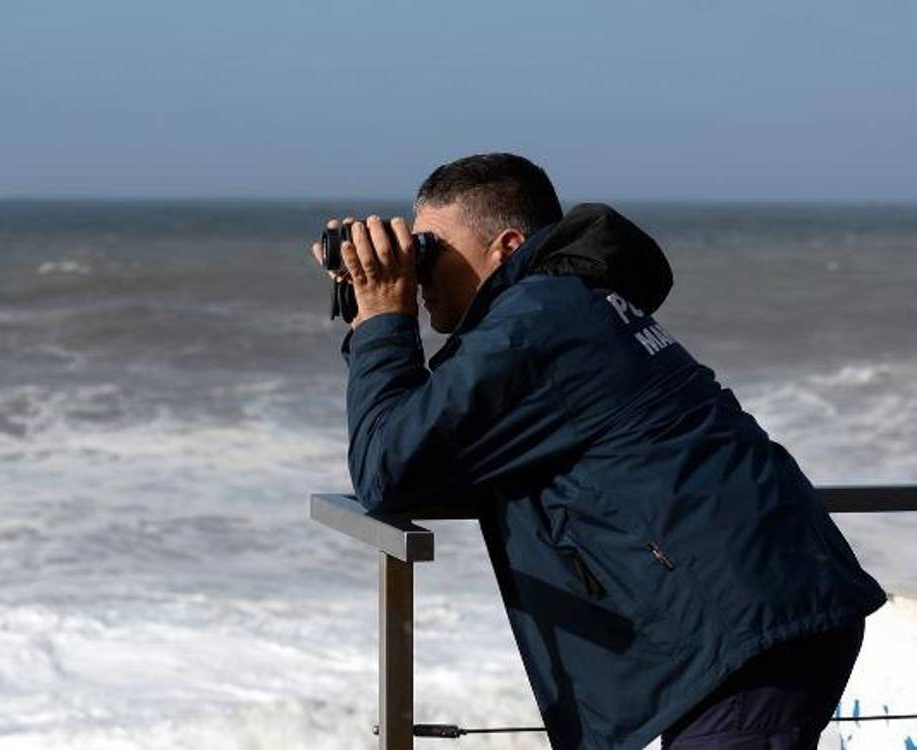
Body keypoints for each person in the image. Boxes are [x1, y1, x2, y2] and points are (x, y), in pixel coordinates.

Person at [308, 153, 887, 750]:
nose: (420, 269)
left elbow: (387, 470)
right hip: (760, 612)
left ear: (506, 246)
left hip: (749, 634)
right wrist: (369, 315)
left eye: (431, 247)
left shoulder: (534, 326)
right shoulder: (569, 304)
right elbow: (437, 460)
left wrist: (382, 318)